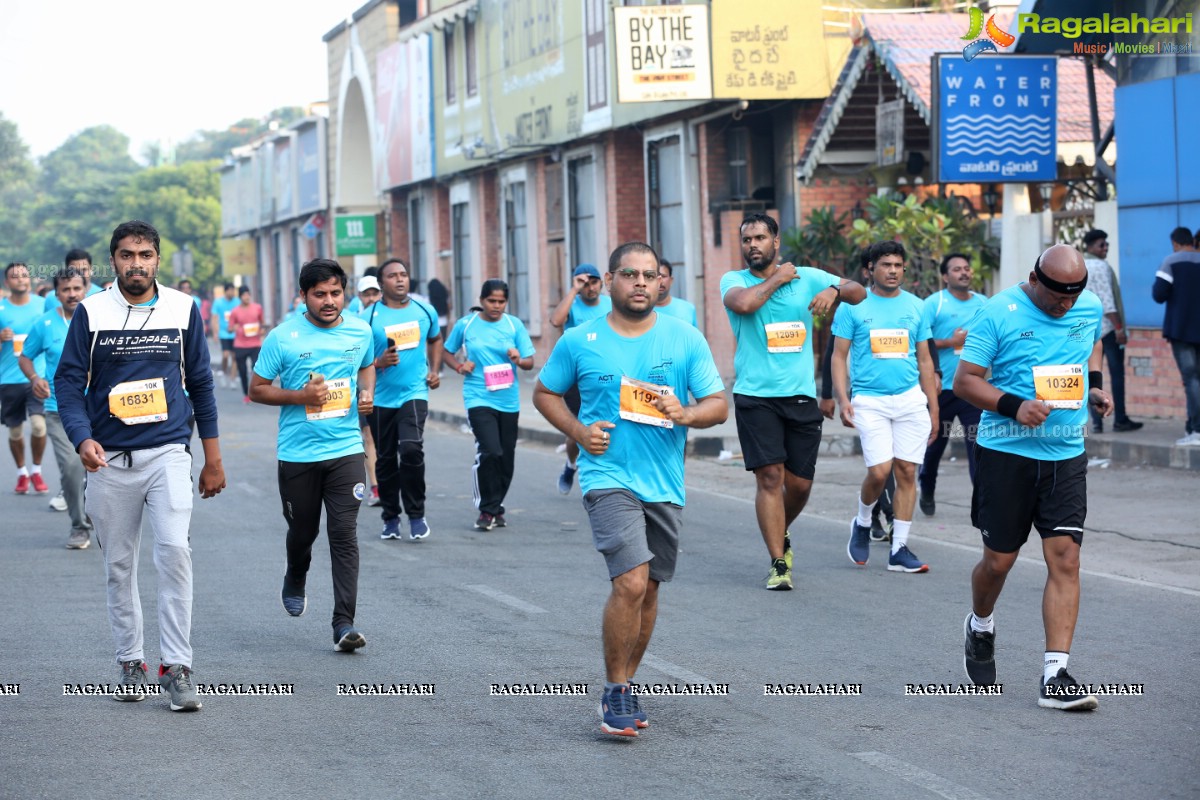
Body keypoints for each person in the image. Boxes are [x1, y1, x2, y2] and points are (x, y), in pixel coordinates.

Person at [533, 241, 727, 737]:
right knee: (631, 582)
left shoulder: (685, 338)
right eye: (630, 274)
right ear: (611, 280)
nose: (641, 283)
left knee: (651, 590)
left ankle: (629, 679)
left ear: (661, 282)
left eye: (649, 275)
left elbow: (717, 405)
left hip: (664, 481)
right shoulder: (581, 339)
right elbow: (545, 392)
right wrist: (578, 433)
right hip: (607, 476)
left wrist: (686, 413)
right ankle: (615, 689)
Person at [55, 220, 225, 711]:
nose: (136, 264)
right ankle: (131, 660)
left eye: (145, 255)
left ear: (157, 259)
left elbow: (202, 383)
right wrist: (82, 437)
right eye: (127, 255)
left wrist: (211, 458)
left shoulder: (182, 308)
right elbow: (68, 384)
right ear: (113, 261)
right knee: (119, 564)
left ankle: (178, 667)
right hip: (108, 460)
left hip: (169, 452)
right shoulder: (90, 312)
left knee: (174, 552)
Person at [954, 243, 1110, 710]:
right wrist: (1014, 405)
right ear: (1034, 278)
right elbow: (965, 381)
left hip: (1065, 452)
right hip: (1006, 453)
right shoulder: (996, 312)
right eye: (1057, 296)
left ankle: (1056, 673)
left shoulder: (1087, 304)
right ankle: (980, 624)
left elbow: (1092, 341)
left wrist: (1097, 384)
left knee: (1065, 557)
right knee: (998, 562)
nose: (1066, 305)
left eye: (1073, 296)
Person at [721, 213, 865, 590]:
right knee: (770, 478)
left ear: (776, 242)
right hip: (755, 395)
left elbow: (859, 291)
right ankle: (778, 562)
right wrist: (778, 278)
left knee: (800, 486)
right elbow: (745, 305)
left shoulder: (809, 275)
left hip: (800, 395)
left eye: (759, 238)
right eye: (747, 239)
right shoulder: (734, 280)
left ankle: (779, 530)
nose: (752, 245)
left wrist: (834, 290)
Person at [249, 258, 375, 652]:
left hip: (346, 449)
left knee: (343, 534)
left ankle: (344, 623)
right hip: (298, 453)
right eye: (319, 294)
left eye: (335, 293)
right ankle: (296, 574)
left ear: (345, 293)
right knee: (303, 531)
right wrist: (300, 397)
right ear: (303, 296)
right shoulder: (283, 338)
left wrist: (365, 393)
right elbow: (257, 388)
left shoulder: (361, 330)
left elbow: (367, 365)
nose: (329, 301)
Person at [832, 241, 938, 574]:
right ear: (869, 270)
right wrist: (842, 398)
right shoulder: (853, 306)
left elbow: (924, 359)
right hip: (870, 399)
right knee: (879, 472)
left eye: (897, 265)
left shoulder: (917, 307)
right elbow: (838, 356)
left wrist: (933, 407)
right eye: (885, 265)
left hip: (909, 399)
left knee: (908, 472)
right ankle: (863, 521)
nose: (893, 270)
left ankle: (900, 549)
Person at [442, 279, 535, 530]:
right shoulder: (467, 324)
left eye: (501, 301)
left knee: (506, 458)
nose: (496, 306)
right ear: (482, 300)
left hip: (508, 400)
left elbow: (529, 362)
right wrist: (460, 367)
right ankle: (486, 509)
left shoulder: (513, 324)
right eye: (491, 301)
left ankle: (496, 506)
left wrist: (519, 358)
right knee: (490, 451)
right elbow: (446, 352)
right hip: (478, 396)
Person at [365, 258, 442, 541]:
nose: (400, 280)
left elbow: (435, 339)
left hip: (414, 392)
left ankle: (417, 515)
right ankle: (390, 518)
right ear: (381, 283)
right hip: (381, 398)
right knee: (385, 459)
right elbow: (358, 362)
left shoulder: (425, 310)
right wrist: (378, 361)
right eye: (392, 276)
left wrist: (434, 371)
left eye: (404, 275)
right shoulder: (368, 318)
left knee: (410, 449)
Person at [19, 268, 93, 548]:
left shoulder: (99, 320)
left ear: (85, 289)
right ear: (56, 293)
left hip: (99, 409)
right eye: (66, 290)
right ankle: (80, 526)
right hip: (58, 409)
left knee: (104, 469)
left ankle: (99, 514)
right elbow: (26, 357)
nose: (72, 294)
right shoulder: (45, 324)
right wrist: (35, 378)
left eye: (77, 288)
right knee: (73, 466)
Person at [917, 253, 986, 515]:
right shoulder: (934, 304)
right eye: (957, 269)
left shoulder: (984, 303)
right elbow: (919, 342)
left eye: (967, 268)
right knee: (935, 447)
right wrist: (951, 342)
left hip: (973, 389)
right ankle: (927, 488)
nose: (964, 273)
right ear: (945, 277)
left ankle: (981, 504)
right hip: (942, 389)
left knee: (977, 446)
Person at [549, 264, 612, 495]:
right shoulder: (572, 306)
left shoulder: (609, 304)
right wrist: (574, 290)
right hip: (576, 378)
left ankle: (603, 477)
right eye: (584, 283)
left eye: (594, 282)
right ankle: (571, 465)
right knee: (581, 428)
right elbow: (556, 321)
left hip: (606, 374)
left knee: (609, 424)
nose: (590, 287)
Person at [1081, 230, 1141, 433]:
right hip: (1107, 330)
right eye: (1101, 245)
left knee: (1091, 374)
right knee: (1117, 375)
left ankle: (1096, 423)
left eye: (1106, 244)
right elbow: (1108, 304)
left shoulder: (1081, 265)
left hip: (1086, 330)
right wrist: (1119, 328)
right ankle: (1120, 419)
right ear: (1089, 247)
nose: (1105, 248)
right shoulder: (1100, 266)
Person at [0, 262, 49, 495]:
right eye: (15, 276)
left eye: (24, 275)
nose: (21, 279)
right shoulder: (1, 309)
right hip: (8, 379)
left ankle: (37, 470)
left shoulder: (43, 306)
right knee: (15, 432)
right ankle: (22, 472)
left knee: (39, 426)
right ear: (7, 282)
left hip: (37, 377)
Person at [1153, 226, 1200, 446]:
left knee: (1191, 380)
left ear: (1175, 242)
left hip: (1181, 330)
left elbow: (1159, 294)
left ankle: (1196, 430)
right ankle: (1192, 426)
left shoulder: (1171, 261)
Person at [353, 274, 383, 504]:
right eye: (367, 294)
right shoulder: (354, 325)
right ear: (359, 297)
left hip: (390, 391)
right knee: (368, 437)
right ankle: (375, 486)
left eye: (375, 293)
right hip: (363, 389)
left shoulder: (387, 320)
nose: (371, 297)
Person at [227, 285, 265, 404]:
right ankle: (246, 394)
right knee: (242, 371)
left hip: (255, 343)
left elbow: (262, 323)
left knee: (256, 368)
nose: (247, 297)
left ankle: (257, 392)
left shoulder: (257, 308)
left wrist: (262, 330)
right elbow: (230, 328)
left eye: (248, 294)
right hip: (240, 345)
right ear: (240, 297)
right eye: (244, 295)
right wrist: (235, 327)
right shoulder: (235, 311)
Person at [654, 259, 698, 327]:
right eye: (655, 277)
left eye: (663, 276)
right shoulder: (641, 312)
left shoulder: (688, 309)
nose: (660, 281)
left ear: (671, 280)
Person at [211, 283, 238, 389]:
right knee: (226, 355)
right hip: (224, 333)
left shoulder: (237, 302)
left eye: (233, 290)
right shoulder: (218, 302)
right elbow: (214, 317)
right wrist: (215, 332)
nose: (232, 293)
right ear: (226, 291)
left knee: (234, 356)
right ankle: (224, 371)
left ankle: (233, 379)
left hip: (235, 333)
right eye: (230, 290)